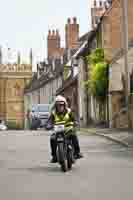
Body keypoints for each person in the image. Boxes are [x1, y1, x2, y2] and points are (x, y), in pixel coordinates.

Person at [45, 95, 83, 163]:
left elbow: (74, 118)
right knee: (52, 139)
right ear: (56, 106)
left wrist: (75, 122)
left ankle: (77, 153)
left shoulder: (69, 111)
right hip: (58, 132)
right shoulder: (53, 113)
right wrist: (48, 125)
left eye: (62, 105)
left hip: (68, 130)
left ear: (64, 105)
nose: (60, 107)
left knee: (74, 136)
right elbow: (50, 121)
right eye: (58, 105)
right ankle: (54, 156)